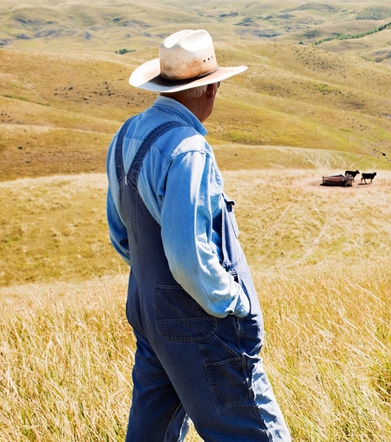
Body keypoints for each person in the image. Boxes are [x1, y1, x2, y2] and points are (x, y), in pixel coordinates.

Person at [105, 29, 290, 441]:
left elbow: (121, 235)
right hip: (201, 323)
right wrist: (234, 303)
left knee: (152, 434)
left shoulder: (125, 136)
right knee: (252, 432)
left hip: (150, 313)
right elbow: (189, 257)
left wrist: (158, 290)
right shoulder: (188, 148)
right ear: (209, 89)